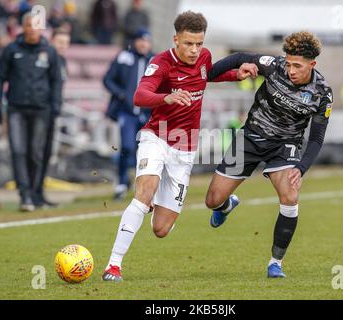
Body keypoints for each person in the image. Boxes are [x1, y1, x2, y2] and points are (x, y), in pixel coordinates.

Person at [101, 11, 256, 282]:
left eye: (199, 43)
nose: (195, 50)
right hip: (157, 137)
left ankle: (222, 205)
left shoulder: (204, 57)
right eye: (188, 44)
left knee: (160, 230)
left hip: (184, 150)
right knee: (143, 193)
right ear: (176, 39)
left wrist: (235, 74)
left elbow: (206, 76)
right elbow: (139, 95)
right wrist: (167, 97)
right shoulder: (161, 63)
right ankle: (113, 265)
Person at [204, 31, 333, 279]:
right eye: (289, 63)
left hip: (285, 145)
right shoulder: (273, 65)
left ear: (312, 64)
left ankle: (276, 263)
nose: (291, 70)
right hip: (250, 138)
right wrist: (206, 76)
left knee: (290, 196)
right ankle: (227, 205)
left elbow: (316, 138)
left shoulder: (322, 93)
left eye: (298, 65)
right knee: (212, 200)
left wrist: (301, 168)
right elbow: (240, 56)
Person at [0, 13, 62, 212]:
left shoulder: (49, 51)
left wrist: (56, 105)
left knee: (35, 152)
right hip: (16, 109)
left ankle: (33, 193)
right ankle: (24, 195)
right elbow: (0, 77)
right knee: (18, 151)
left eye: (37, 26)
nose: (33, 29)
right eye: (30, 26)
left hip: (42, 109)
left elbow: (56, 80)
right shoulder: (11, 50)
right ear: (23, 27)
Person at [103, 27, 154, 200]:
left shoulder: (155, 60)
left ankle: (141, 183)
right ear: (135, 41)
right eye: (141, 40)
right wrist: (121, 94)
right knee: (126, 147)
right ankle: (121, 181)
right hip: (127, 112)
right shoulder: (124, 57)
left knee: (145, 151)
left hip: (147, 113)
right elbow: (108, 79)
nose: (143, 44)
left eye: (146, 41)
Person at [34, 29, 70, 208]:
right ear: (52, 41)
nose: (63, 46)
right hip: (41, 112)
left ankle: (39, 192)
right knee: (37, 152)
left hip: (52, 112)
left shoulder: (62, 61)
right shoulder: (44, 60)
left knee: (46, 153)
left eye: (66, 42)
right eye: (60, 42)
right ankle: (32, 193)